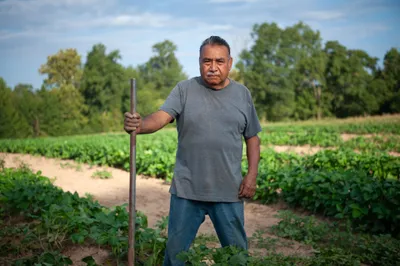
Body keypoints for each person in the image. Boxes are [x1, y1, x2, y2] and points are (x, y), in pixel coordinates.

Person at [124, 35, 262, 266]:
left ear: (230, 62)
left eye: (219, 61)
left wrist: (252, 175)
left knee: (237, 256)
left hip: (228, 190)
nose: (213, 67)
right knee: (176, 256)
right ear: (199, 62)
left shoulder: (242, 95)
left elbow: (253, 138)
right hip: (187, 190)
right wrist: (140, 125)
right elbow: (161, 117)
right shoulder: (185, 89)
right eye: (207, 61)